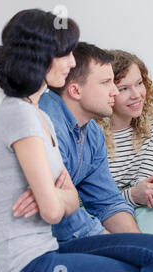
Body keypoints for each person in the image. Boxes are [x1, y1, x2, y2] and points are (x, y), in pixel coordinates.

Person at [0, 9, 153, 272]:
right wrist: (63, 197)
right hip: (27, 264)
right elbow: (54, 210)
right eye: (64, 53)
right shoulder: (29, 115)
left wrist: (61, 196)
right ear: (41, 56)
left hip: (45, 250)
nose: (70, 61)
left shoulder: (46, 117)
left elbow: (101, 200)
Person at [21, 42, 141, 241]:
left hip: (61, 238)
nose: (115, 92)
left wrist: (137, 244)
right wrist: (119, 248)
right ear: (76, 91)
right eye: (106, 83)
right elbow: (60, 218)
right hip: (33, 243)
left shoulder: (93, 133)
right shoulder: (48, 126)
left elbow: (107, 202)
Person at [96, 50, 153, 257]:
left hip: (131, 205)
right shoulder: (92, 131)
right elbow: (88, 199)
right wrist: (133, 195)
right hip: (97, 212)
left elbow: (143, 177)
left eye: (139, 83)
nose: (136, 94)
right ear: (108, 92)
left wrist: (149, 190)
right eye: (124, 88)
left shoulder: (149, 122)